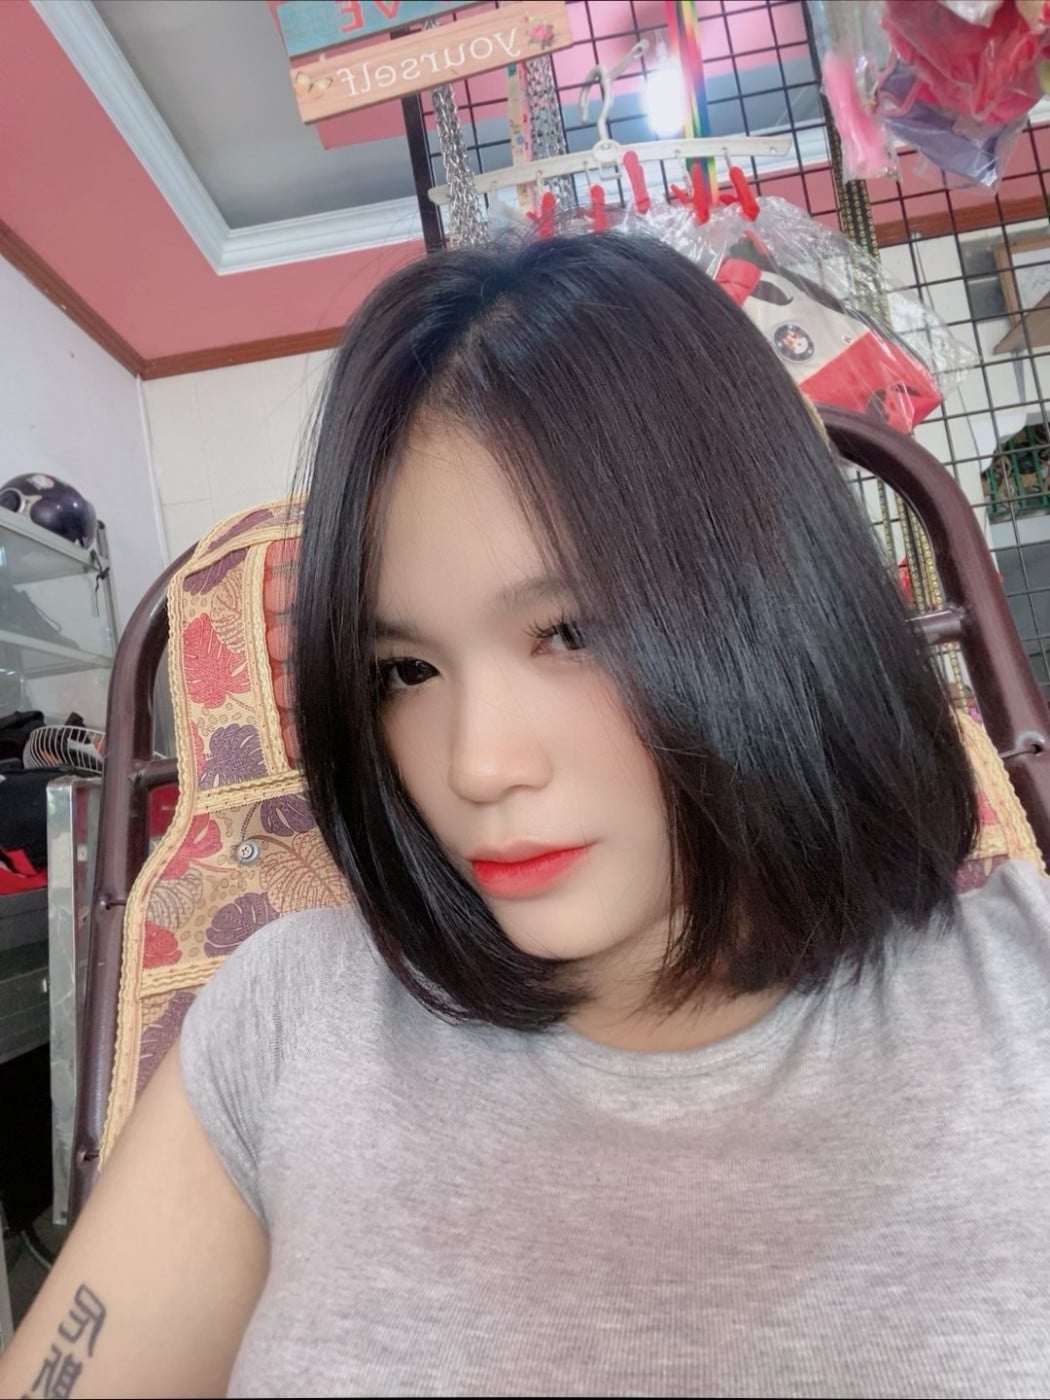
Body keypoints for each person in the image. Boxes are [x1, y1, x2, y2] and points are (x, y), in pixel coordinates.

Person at [2, 232, 1049, 1400]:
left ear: (771, 599)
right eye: (404, 669)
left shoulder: (1024, 991)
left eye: (571, 631)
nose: (477, 764)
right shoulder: (288, 1015)